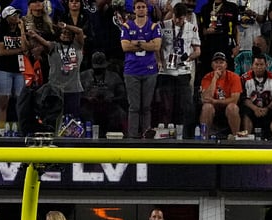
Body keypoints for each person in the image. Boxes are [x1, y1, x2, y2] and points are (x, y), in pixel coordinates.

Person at [155, 3, 200, 134]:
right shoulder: (163, 26)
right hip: (166, 71)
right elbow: (157, 46)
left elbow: (198, 50)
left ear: (185, 17)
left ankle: (185, 133)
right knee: (165, 104)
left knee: (185, 104)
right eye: (175, 17)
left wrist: (190, 57)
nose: (177, 21)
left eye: (180, 19)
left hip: (183, 71)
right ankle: (163, 131)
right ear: (173, 14)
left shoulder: (192, 29)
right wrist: (159, 60)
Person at [120, 0, 162, 138]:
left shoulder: (153, 26)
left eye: (143, 7)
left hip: (149, 70)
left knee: (146, 106)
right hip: (132, 70)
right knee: (134, 106)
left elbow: (156, 46)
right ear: (134, 10)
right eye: (138, 7)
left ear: (147, 9)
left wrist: (136, 43)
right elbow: (125, 47)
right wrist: (145, 43)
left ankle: (146, 134)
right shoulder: (127, 26)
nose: (141, 9)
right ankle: (132, 137)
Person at [27, 21, 85, 117]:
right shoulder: (54, 46)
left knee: (72, 118)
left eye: (69, 33)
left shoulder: (78, 45)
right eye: (63, 33)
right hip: (55, 89)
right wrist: (35, 35)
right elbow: (44, 42)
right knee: (55, 116)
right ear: (60, 35)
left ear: (73, 36)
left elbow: (80, 31)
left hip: (73, 89)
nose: (66, 35)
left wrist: (66, 26)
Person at [79, 51, 127, 137]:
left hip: (110, 105)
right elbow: (78, 95)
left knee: (120, 114)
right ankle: (88, 137)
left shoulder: (114, 76)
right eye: (97, 68)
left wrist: (112, 99)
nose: (99, 70)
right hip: (89, 106)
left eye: (101, 68)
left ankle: (114, 138)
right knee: (84, 113)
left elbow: (123, 95)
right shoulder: (83, 76)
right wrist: (87, 98)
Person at [0, 6, 27, 130]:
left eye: (17, 15)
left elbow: (27, 47)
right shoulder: (1, 31)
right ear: (6, 17)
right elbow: (1, 51)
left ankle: (19, 128)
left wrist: (22, 30)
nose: (16, 18)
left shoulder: (20, 31)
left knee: (20, 101)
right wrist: (20, 50)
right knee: (4, 101)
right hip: (4, 70)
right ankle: (2, 129)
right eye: (13, 15)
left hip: (19, 70)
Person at [241, 52, 272, 139]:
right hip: (252, 108)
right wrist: (255, 109)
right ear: (252, 66)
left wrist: (267, 108)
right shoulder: (244, 78)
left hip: (268, 108)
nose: (259, 67)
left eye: (261, 64)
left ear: (266, 65)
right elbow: (244, 99)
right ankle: (246, 138)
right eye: (256, 64)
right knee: (245, 111)